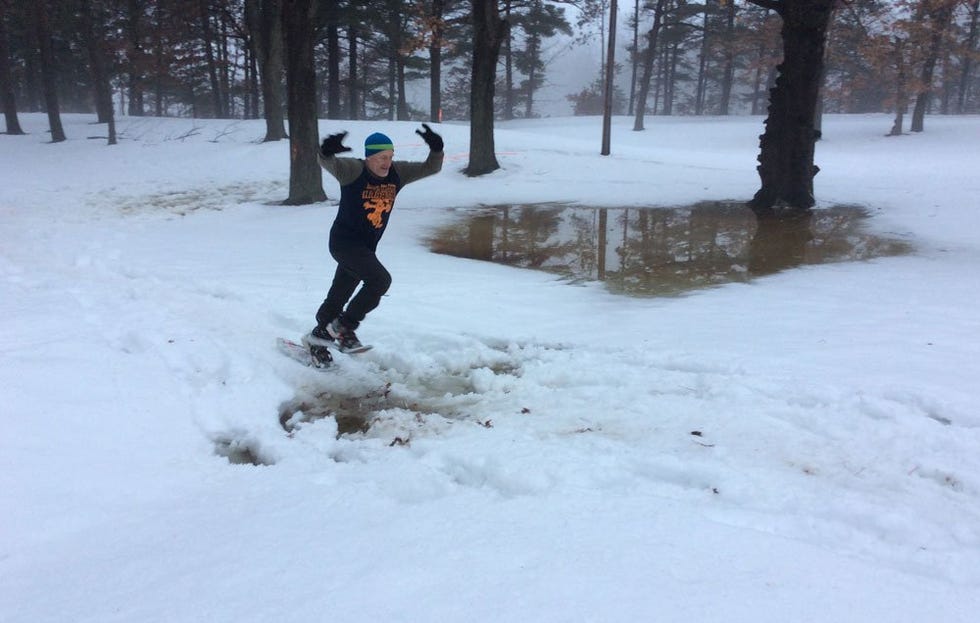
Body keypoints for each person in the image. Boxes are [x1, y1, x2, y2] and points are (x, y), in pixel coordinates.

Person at [305, 125, 444, 357]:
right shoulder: (354, 170)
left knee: (340, 292)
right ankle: (345, 327)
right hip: (344, 242)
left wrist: (437, 148)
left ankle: (320, 337)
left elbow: (431, 167)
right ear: (368, 157)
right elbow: (330, 163)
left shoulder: (397, 173)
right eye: (381, 158)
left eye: (390, 157)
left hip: (366, 247)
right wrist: (326, 152)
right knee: (380, 280)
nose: (386, 163)